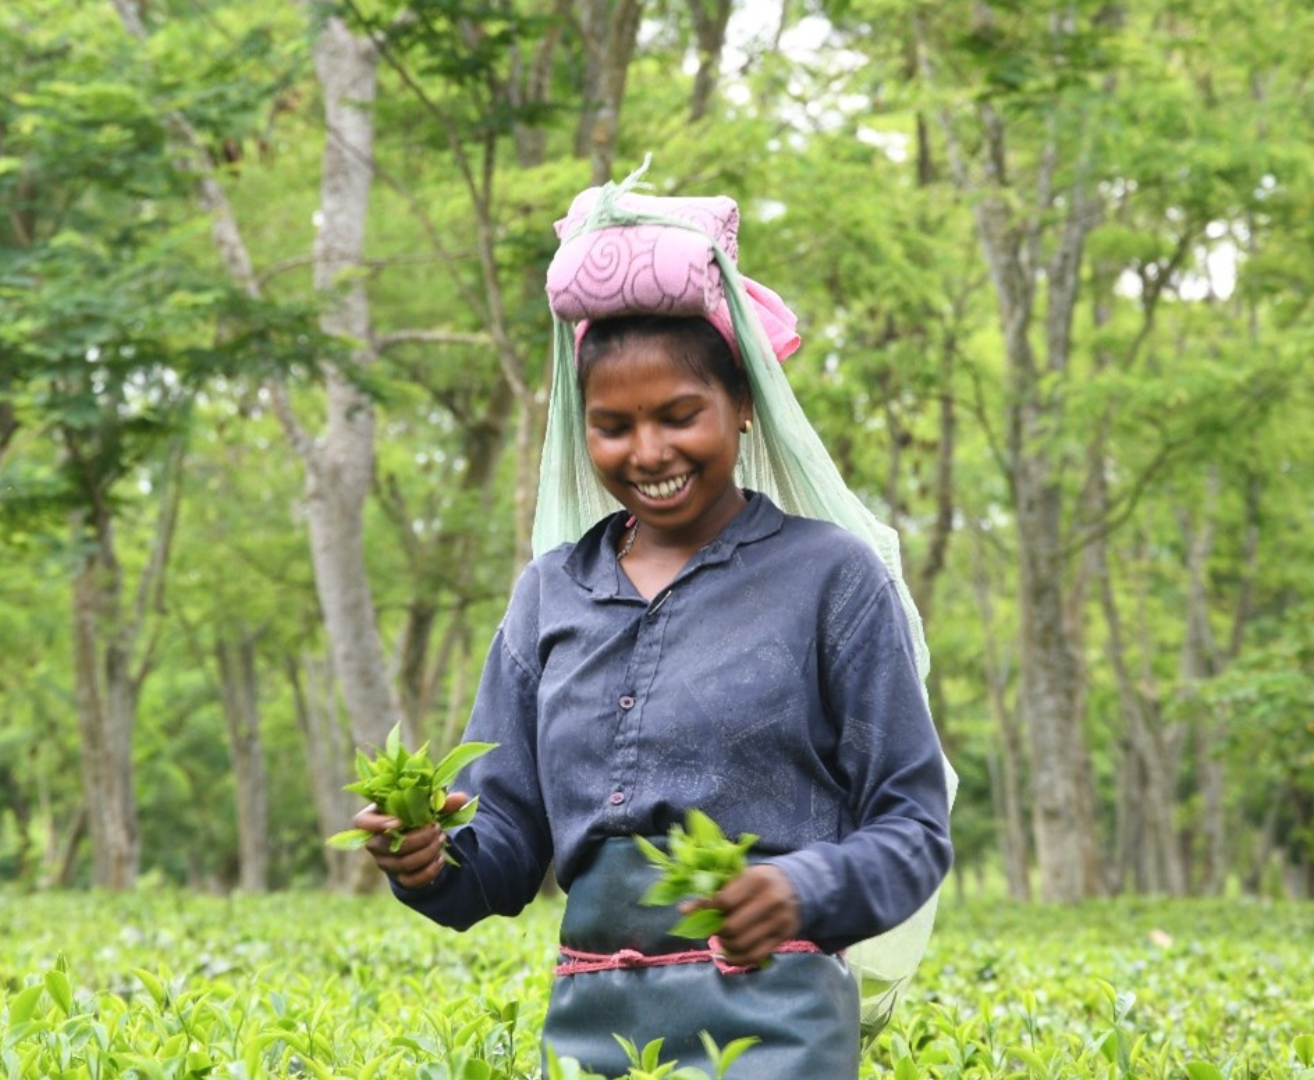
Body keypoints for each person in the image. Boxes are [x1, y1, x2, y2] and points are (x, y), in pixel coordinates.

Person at [351, 179, 953, 1076]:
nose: (648, 452)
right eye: (612, 426)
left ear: (742, 403)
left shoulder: (831, 579)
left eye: (678, 416)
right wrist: (429, 861)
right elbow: (506, 848)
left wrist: (796, 888)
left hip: (777, 1027)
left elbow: (913, 831)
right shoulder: (549, 595)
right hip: (592, 1031)